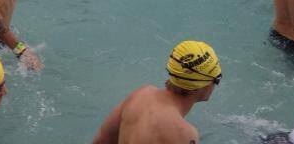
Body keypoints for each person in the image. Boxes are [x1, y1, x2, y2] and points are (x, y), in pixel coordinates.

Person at [92, 40, 222, 144]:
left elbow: (101, 141)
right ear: (198, 86)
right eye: (217, 79)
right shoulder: (184, 134)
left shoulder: (141, 95)